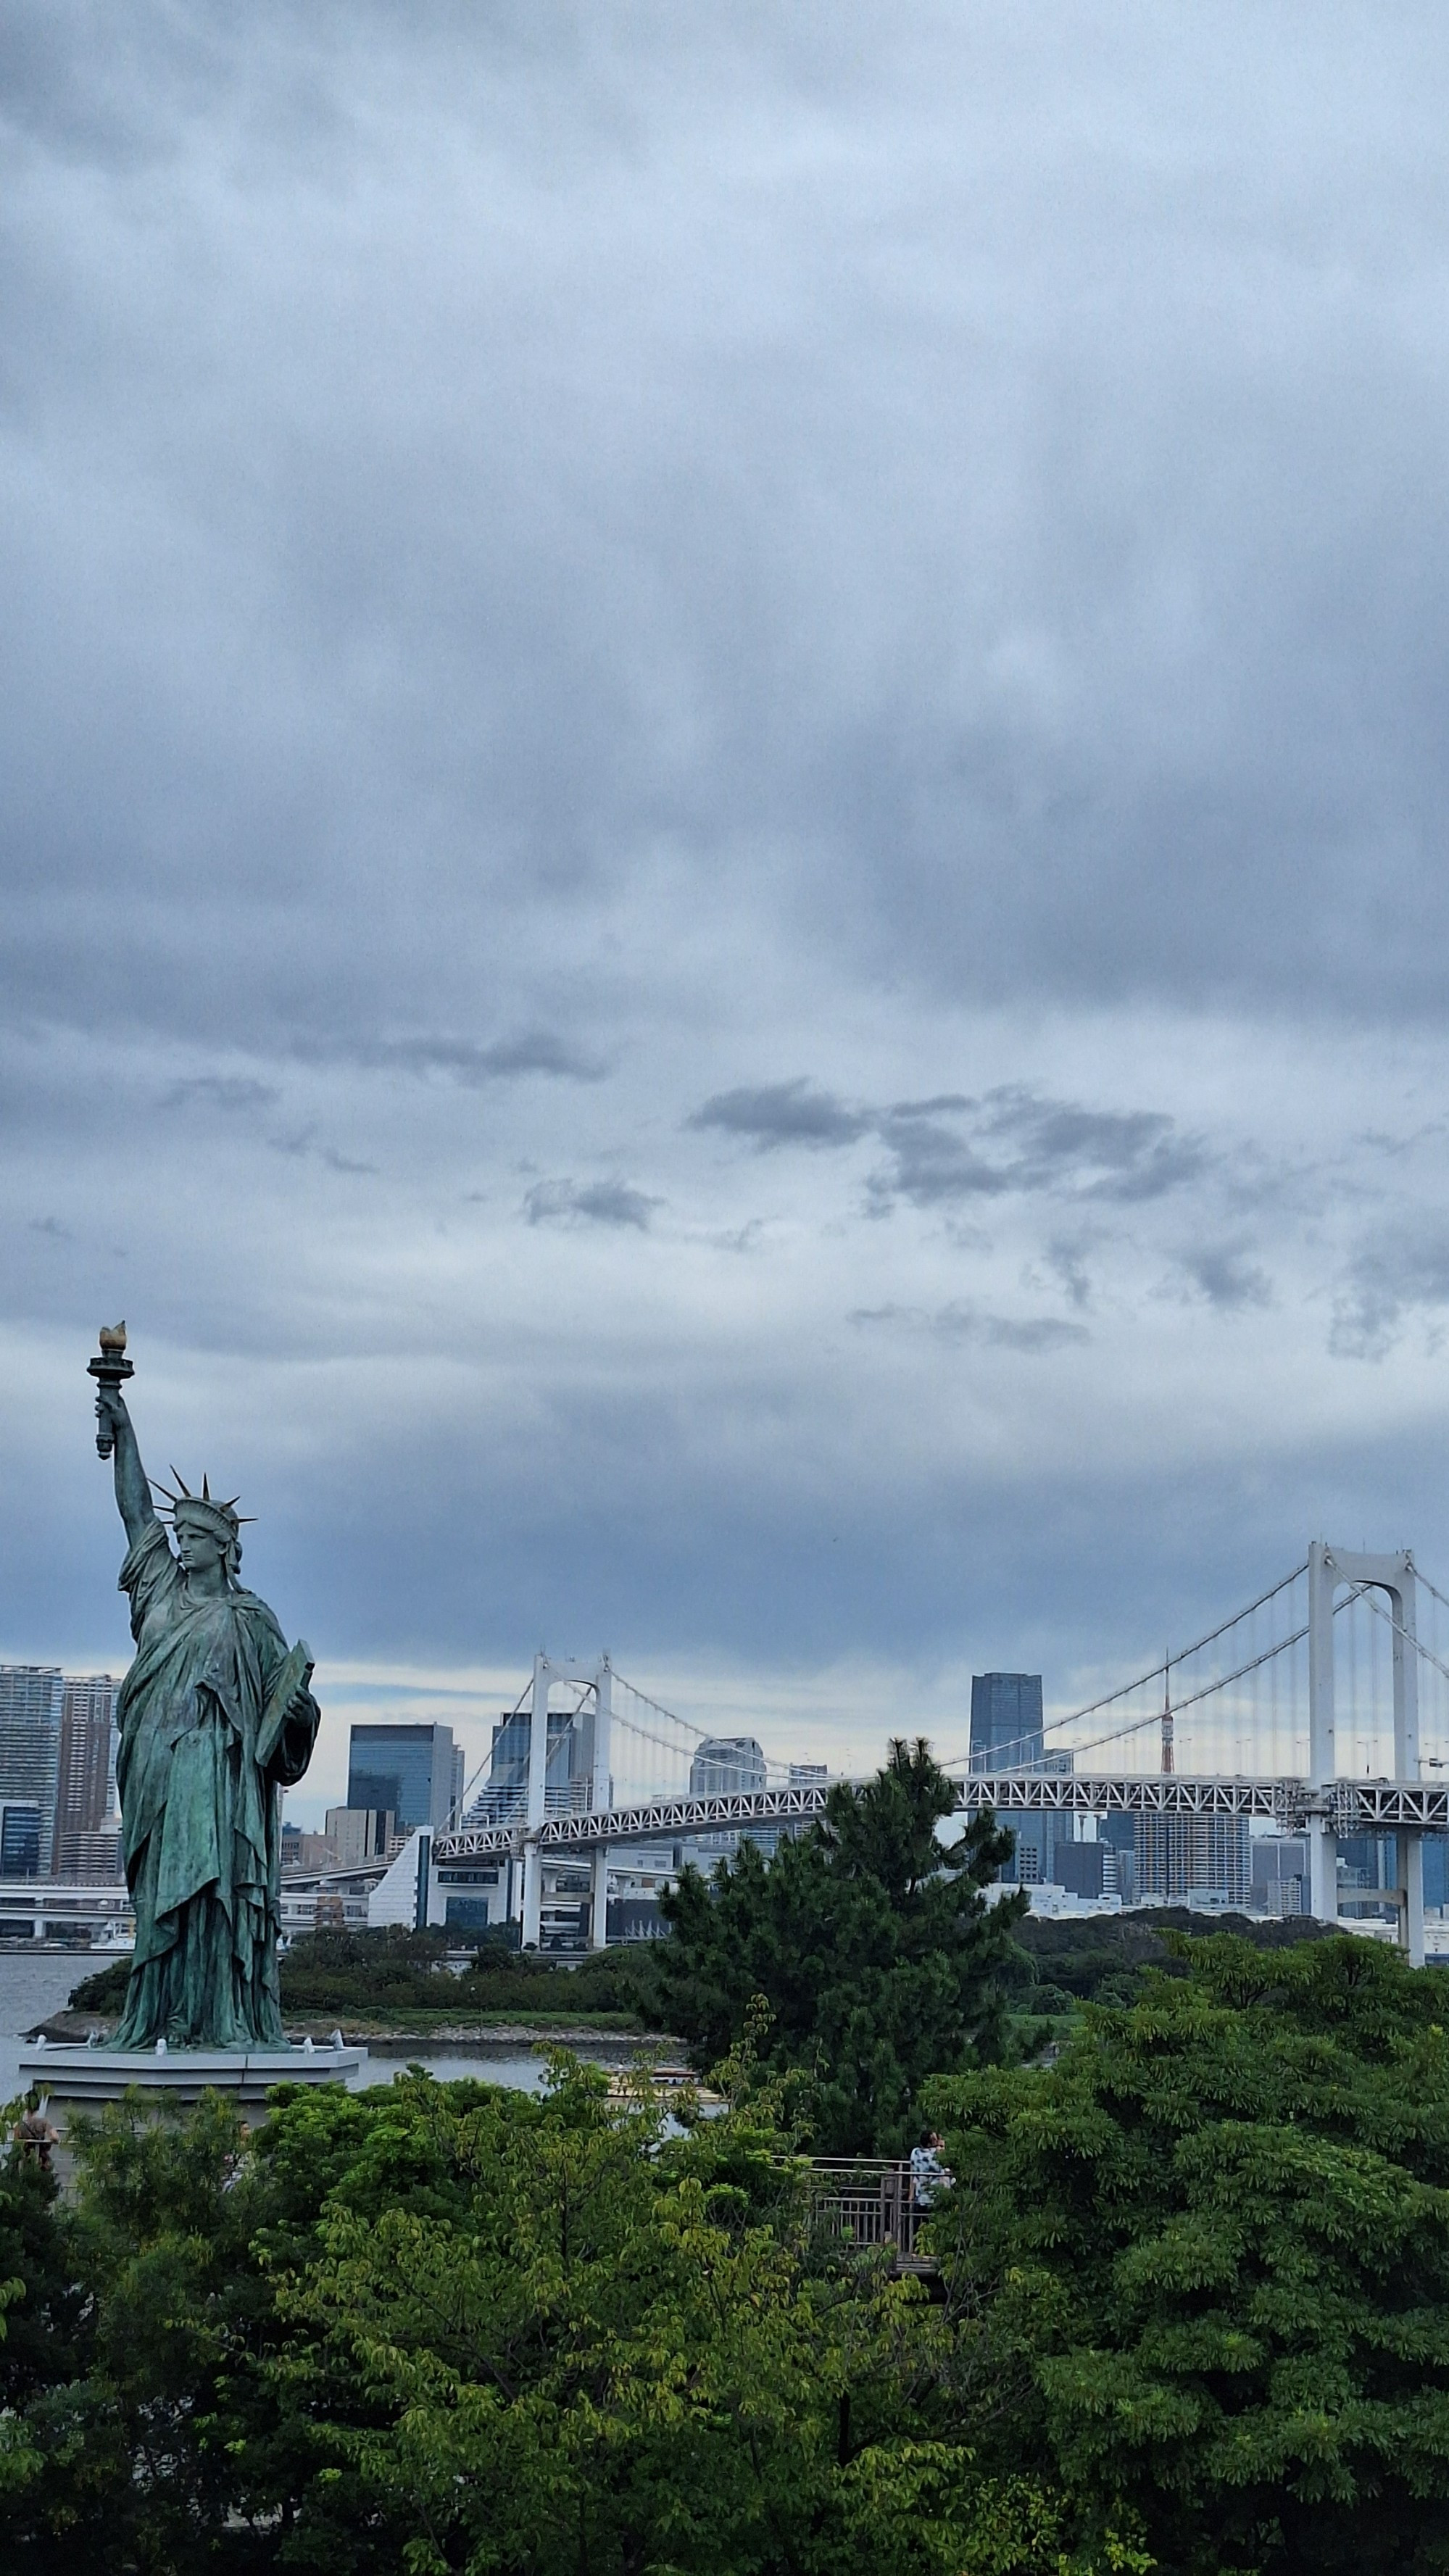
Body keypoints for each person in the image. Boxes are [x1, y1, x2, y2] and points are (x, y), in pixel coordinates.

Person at [93, 1379, 320, 2050]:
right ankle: (158, 2016)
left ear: (224, 1546)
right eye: (180, 1535)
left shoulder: (251, 1619)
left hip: (218, 1783)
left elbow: (286, 1709)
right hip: (155, 1772)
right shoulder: (159, 1589)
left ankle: (217, 2018)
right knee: (156, 1903)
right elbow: (136, 1511)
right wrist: (124, 1432)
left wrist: (299, 1710)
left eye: (194, 1537)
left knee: (213, 1904)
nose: (181, 1544)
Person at [910, 2127, 953, 2207]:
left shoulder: (915, 2152)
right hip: (934, 2198)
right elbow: (942, 2164)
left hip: (920, 2197)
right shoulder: (935, 2154)